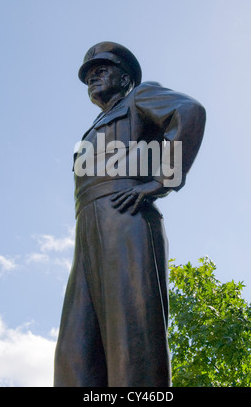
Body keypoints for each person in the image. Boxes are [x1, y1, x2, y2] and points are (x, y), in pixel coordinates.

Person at [54, 41, 206, 387]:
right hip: (89, 230)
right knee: (75, 349)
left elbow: (190, 111)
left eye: (102, 70)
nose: (93, 77)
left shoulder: (139, 98)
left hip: (126, 221)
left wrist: (160, 181)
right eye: (89, 74)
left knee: (132, 335)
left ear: (126, 79)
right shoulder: (95, 124)